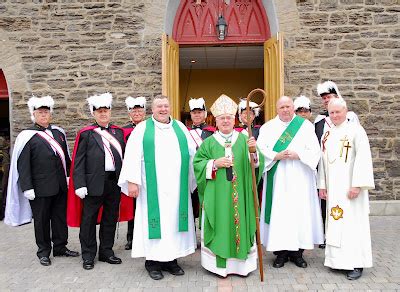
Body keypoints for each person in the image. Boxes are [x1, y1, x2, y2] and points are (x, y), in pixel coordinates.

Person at [118, 95, 197, 280]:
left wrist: (196, 178)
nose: (163, 109)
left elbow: (193, 154)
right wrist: (132, 181)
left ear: (170, 108)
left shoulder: (180, 128)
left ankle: (171, 261)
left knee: (174, 223)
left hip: (177, 187)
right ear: (152, 110)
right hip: (151, 189)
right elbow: (131, 155)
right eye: (159, 106)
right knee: (155, 224)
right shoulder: (142, 129)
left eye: (166, 106)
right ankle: (152, 262)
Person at [193, 94, 264, 277]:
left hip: (241, 194)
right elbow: (198, 165)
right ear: (215, 121)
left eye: (228, 118)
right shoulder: (208, 143)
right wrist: (215, 163)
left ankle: (242, 266)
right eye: (221, 118)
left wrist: (254, 152)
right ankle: (218, 266)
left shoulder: (244, 140)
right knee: (220, 223)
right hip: (217, 196)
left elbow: (256, 165)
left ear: (235, 120)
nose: (225, 121)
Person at [5, 95, 79, 266]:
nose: (44, 115)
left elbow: (66, 159)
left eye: (46, 112)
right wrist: (27, 187)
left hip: (60, 186)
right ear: (34, 114)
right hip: (39, 188)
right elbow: (22, 165)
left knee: (60, 218)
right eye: (40, 112)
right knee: (42, 220)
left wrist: (68, 177)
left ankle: (60, 247)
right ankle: (43, 251)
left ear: (50, 114)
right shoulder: (27, 136)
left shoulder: (58, 133)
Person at [67, 92, 132, 270]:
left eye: (106, 111)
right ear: (93, 114)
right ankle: (88, 255)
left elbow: (125, 157)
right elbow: (78, 162)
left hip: (113, 183)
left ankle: (106, 251)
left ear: (110, 112)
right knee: (88, 220)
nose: (103, 114)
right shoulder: (86, 133)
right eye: (99, 111)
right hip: (93, 184)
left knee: (110, 218)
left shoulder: (118, 132)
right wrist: (79, 185)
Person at [258, 96, 323, 269]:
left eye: (288, 106)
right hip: (278, 179)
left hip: (300, 178)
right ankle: (280, 254)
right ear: (276, 108)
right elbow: (260, 149)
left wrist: (299, 154)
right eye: (282, 107)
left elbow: (315, 151)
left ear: (293, 107)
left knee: (299, 213)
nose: (285, 110)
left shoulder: (305, 126)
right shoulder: (268, 127)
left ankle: (297, 253)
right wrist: (275, 156)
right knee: (280, 214)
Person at [318, 97, 374, 280]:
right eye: (331, 112)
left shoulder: (356, 131)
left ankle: (356, 263)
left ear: (345, 111)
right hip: (334, 190)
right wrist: (322, 185)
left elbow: (363, 159)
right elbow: (323, 162)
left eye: (338, 112)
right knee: (336, 223)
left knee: (352, 226)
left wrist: (357, 185)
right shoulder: (328, 134)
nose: (334, 115)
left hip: (351, 189)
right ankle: (338, 261)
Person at [314, 80, 360, 249]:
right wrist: (321, 181)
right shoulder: (321, 123)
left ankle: (351, 247)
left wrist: (358, 183)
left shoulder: (351, 122)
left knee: (349, 215)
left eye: (329, 97)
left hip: (348, 177)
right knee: (331, 212)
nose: (326, 100)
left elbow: (359, 153)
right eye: (324, 98)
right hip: (329, 175)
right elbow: (320, 152)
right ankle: (331, 243)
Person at [123, 95, 147, 250]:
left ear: (144, 112)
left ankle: (145, 235)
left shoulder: (150, 128)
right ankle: (131, 237)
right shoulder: (123, 131)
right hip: (132, 172)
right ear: (129, 113)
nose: (137, 113)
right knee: (131, 206)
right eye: (134, 110)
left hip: (146, 172)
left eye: (140, 110)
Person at [187, 97, 215, 219]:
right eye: (194, 112)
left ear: (205, 113)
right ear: (190, 114)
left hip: (207, 171)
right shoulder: (185, 132)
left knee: (208, 203)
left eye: (199, 112)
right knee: (191, 204)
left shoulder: (213, 132)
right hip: (190, 172)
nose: (197, 115)